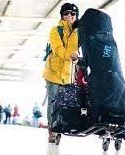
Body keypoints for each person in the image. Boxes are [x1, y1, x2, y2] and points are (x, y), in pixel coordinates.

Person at [43, 3, 79, 143]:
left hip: (68, 75)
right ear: (62, 15)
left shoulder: (78, 32)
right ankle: (52, 131)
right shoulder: (55, 30)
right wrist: (71, 56)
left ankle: (60, 127)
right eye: (67, 13)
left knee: (65, 104)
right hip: (53, 73)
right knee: (53, 102)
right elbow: (58, 49)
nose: (70, 16)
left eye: (73, 14)